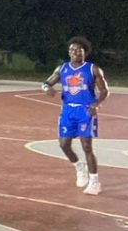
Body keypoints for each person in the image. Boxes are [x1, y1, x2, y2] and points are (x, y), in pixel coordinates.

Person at [42, 37, 109, 195]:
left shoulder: (93, 69)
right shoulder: (62, 68)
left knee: (87, 146)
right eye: (72, 50)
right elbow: (46, 82)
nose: (75, 53)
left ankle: (95, 182)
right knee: (64, 144)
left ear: (85, 52)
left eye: (78, 50)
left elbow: (105, 91)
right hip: (67, 110)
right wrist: (46, 89)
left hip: (85, 110)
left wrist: (96, 104)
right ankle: (79, 166)